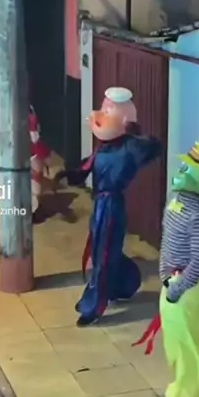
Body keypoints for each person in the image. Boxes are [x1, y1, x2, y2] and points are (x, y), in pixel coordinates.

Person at [133, 141, 199, 397]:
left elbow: (198, 261)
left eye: (188, 168)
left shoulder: (197, 216)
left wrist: (177, 287)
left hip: (187, 285)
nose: (181, 170)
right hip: (177, 280)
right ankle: (198, 385)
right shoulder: (177, 202)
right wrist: (165, 273)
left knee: (182, 343)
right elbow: (169, 242)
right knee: (192, 337)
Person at [54, 87, 162, 327]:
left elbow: (153, 148)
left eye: (107, 111)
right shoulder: (105, 146)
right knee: (102, 250)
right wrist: (70, 175)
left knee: (103, 254)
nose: (100, 115)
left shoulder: (130, 146)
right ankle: (125, 282)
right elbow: (87, 167)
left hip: (112, 206)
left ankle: (93, 305)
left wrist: (135, 134)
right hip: (100, 205)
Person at [0, 96, 51, 217]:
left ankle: (23, 205)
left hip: (24, 148)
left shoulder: (22, 109)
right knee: (25, 178)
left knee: (28, 177)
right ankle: (22, 206)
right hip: (20, 148)